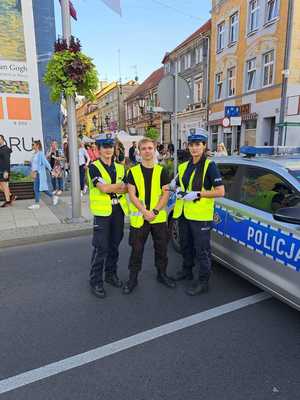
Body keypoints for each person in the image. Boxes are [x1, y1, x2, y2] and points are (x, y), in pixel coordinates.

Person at [172, 128, 225, 295]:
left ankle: (203, 281)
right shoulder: (184, 166)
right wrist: (176, 189)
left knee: (202, 250)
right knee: (185, 244)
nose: (194, 148)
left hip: (201, 216)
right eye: (191, 144)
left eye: (198, 144)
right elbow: (179, 184)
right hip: (184, 213)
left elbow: (220, 191)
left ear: (204, 146)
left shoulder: (210, 166)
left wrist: (198, 193)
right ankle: (187, 270)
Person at [123, 138, 176, 294]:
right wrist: (145, 211)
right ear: (139, 151)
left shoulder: (162, 171)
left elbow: (165, 194)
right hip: (140, 218)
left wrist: (155, 212)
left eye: (150, 148)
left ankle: (162, 274)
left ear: (154, 150)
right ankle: (133, 279)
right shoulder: (132, 171)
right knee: (136, 250)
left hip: (158, 218)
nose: (147, 151)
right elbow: (132, 195)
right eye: (144, 148)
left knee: (161, 248)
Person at [88, 133, 128, 298]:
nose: (108, 150)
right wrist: (118, 186)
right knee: (101, 247)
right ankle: (96, 281)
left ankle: (110, 275)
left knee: (114, 245)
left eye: (110, 146)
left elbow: (126, 188)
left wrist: (115, 187)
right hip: (103, 212)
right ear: (98, 149)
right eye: (104, 146)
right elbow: (103, 188)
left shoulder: (119, 167)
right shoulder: (93, 167)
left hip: (118, 211)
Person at [29, 140, 58, 210]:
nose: (32, 146)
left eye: (33, 144)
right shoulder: (34, 154)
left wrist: (51, 171)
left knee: (36, 189)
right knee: (41, 189)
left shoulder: (40, 154)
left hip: (39, 173)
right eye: (32, 144)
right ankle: (53, 196)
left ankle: (37, 204)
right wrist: (32, 171)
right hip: (35, 173)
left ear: (37, 145)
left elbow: (46, 163)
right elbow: (33, 164)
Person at [0, 134, 15, 207]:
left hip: (4, 170)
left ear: (3, 140)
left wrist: (6, 171)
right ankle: (11, 195)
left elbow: (7, 161)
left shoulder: (5, 149)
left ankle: (8, 201)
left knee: (4, 185)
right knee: (2, 186)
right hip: (1, 170)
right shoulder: (1, 148)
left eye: (0, 139)